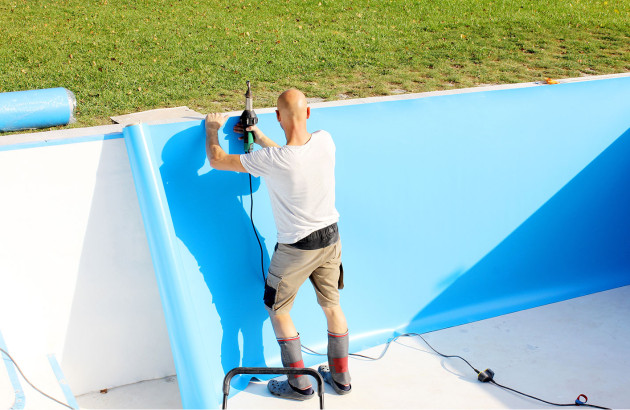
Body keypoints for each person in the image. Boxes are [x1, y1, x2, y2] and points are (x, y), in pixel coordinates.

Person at [205, 88, 351, 401]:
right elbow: (291, 159)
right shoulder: (326, 140)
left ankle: (299, 386)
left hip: (296, 249)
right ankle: (341, 379)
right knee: (332, 306)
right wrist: (257, 136)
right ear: (308, 113)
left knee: (278, 309)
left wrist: (212, 129)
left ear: (277, 117)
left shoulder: (273, 159)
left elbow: (217, 160)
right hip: (330, 240)